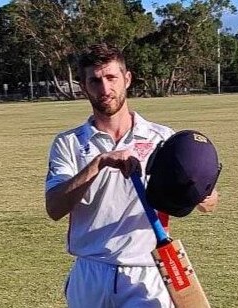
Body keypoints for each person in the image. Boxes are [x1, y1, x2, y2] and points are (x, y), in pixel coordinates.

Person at [45, 43, 218, 308]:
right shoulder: (68, 143)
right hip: (91, 271)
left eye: (112, 78)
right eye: (95, 80)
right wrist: (99, 163)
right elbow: (54, 208)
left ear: (127, 78)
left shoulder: (162, 138)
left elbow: (209, 202)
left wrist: (198, 194)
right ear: (83, 85)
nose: (105, 89)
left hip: (147, 270)